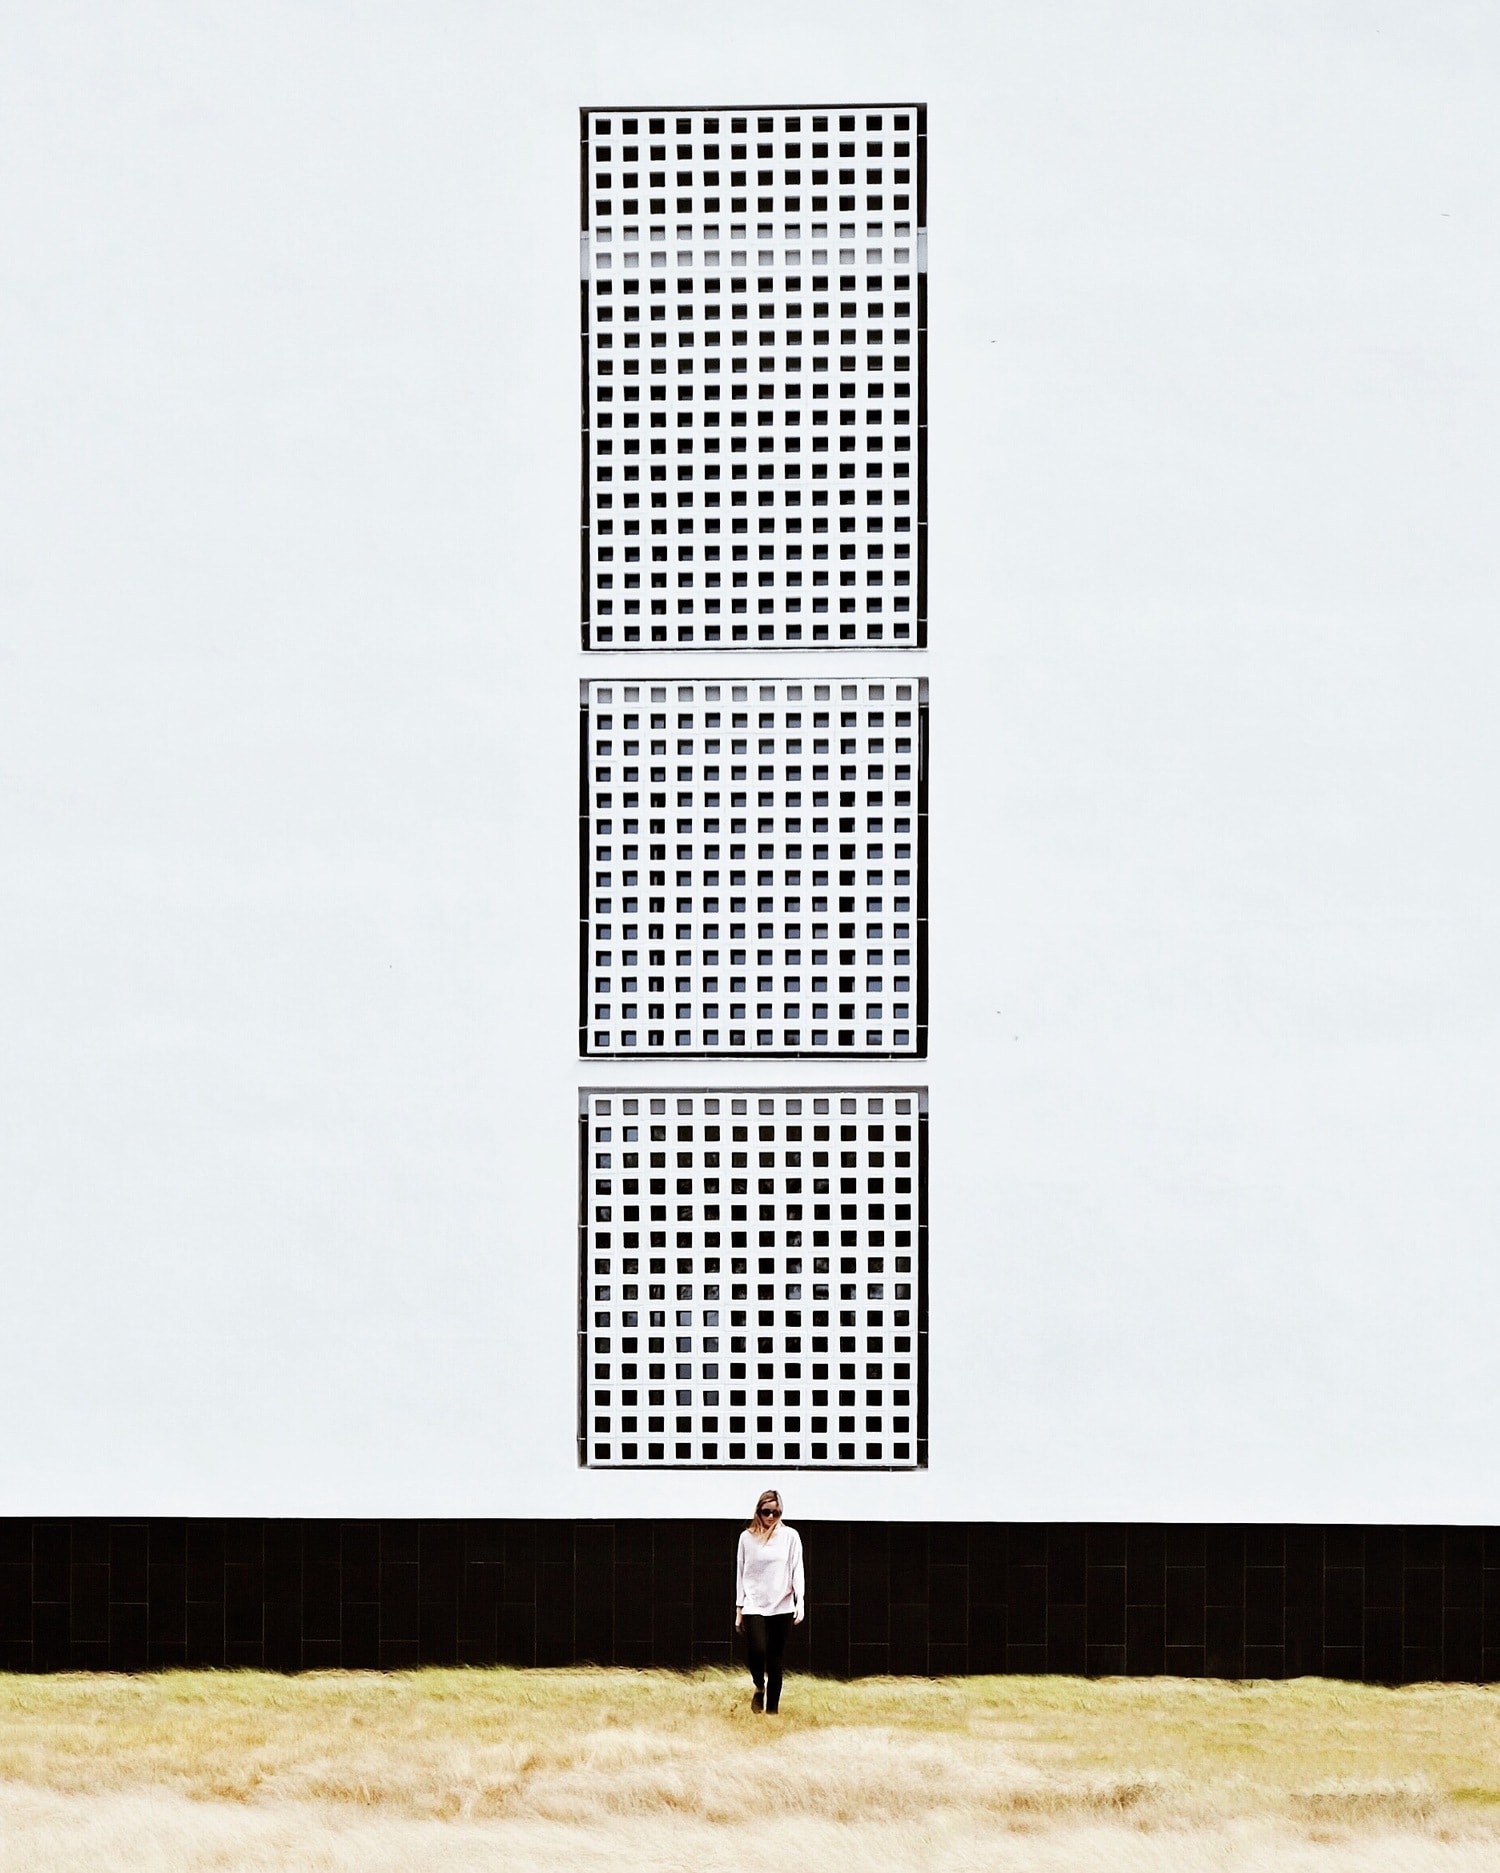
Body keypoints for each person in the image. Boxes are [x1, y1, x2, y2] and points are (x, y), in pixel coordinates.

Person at [734, 1488, 804, 1714]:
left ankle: (772, 1712)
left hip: (782, 1604)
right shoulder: (746, 1538)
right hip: (754, 1603)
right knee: (758, 1650)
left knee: (775, 1659)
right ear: (758, 1511)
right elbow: (741, 1572)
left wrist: (799, 1601)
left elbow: (797, 1569)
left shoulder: (790, 1536)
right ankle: (758, 1685)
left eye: (776, 1512)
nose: (771, 1517)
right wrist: (739, 1608)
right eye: (767, 1512)